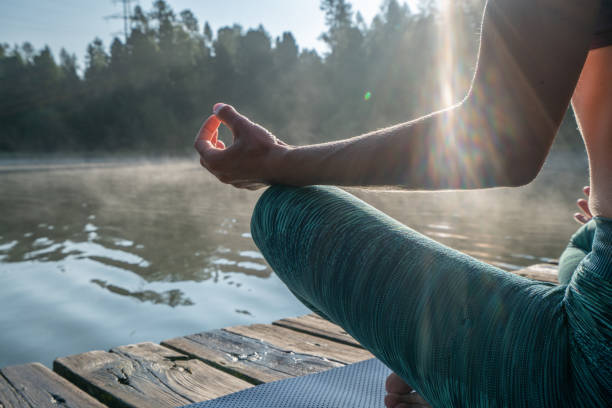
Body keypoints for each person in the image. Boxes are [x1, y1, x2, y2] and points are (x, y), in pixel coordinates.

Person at [195, 0, 611, 406]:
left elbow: (501, 149)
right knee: (581, 242)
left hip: (592, 374)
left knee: (282, 217)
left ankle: (469, 386)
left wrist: (278, 162)